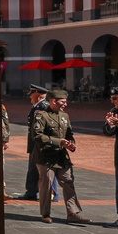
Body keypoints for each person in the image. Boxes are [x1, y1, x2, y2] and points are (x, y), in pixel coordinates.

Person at [32, 89, 89, 224]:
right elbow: (37, 136)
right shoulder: (42, 116)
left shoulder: (65, 116)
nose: (65, 104)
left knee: (68, 182)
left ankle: (73, 213)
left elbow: (69, 134)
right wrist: (59, 142)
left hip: (61, 156)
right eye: (63, 101)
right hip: (45, 156)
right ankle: (45, 214)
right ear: (53, 101)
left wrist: (71, 144)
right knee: (46, 185)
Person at [16, 84, 51, 201]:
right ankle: (31, 191)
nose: (30, 96)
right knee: (33, 168)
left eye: (32, 93)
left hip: (40, 143)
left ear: (39, 95)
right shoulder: (37, 106)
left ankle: (48, 193)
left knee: (41, 169)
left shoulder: (44, 106)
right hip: (35, 142)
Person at [102, 85, 118, 227]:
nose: (113, 102)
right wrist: (109, 125)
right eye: (111, 99)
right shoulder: (114, 111)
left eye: (115, 98)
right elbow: (107, 132)